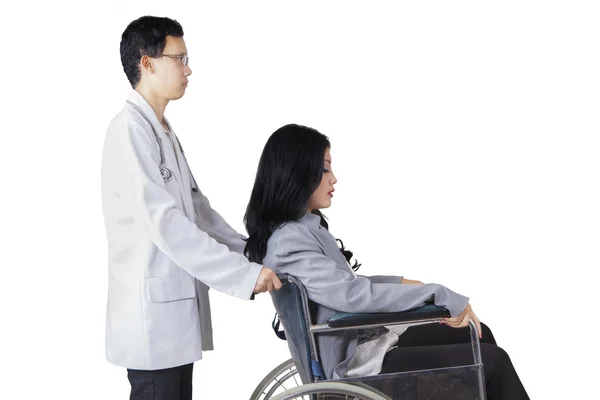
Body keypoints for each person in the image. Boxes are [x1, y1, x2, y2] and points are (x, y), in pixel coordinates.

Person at [243, 124, 529, 400]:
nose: (334, 179)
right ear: (296, 173)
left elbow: (342, 286)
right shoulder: (290, 241)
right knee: (494, 362)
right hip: (352, 364)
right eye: (324, 169)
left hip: (364, 342)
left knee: (479, 334)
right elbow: (351, 296)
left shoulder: (303, 229)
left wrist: (404, 283)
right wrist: (435, 293)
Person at [100, 16, 281, 400]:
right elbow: (167, 226)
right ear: (146, 63)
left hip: (172, 320)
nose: (188, 69)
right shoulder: (128, 130)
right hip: (151, 322)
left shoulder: (162, 131)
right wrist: (243, 275)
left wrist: (251, 252)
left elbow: (198, 212)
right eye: (179, 58)